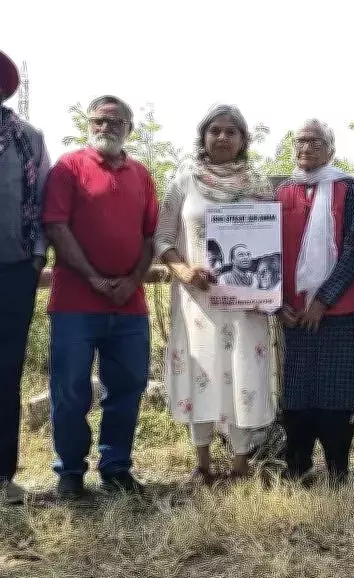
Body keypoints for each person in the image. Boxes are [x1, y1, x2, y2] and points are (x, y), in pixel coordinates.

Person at [154, 104, 277, 485]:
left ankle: (241, 464)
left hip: (246, 303)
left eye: (231, 131)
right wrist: (183, 271)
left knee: (244, 371)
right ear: (203, 136)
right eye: (215, 131)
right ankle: (202, 463)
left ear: (243, 140)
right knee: (201, 371)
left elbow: (271, 240)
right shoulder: (184, 183)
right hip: (198, 302)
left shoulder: (259, 185)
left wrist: (267, 289)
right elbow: (162, 238)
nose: (222, 137)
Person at [43, 95, 157, 499]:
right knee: (70, 391)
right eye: (98, 120)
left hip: (129, 304)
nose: (105, 127)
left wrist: (133, 279)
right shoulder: (68, 167)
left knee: (127, 388)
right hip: (75, 303)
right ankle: (70, 473)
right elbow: (56, 226)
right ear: (89, 125)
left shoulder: (141, 174)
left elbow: (151, 236)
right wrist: (93, 277)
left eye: (115, 121)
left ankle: (116, 468)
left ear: (129, 128)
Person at [275, 118, 354, 485]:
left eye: (315, 141)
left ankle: (337, 473)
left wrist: (323, 300)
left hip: (339, 311)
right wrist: (277, 303)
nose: (307, 147)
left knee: (335, 395)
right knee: (296, 395)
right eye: (301, 141)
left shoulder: (347, 188)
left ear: (331, 150)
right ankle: (297, 468)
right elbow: (268, 253)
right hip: (293, 312)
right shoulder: (283, 191)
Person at [0, 50, 51, 505]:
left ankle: (3, 475)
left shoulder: (27, 138)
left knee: (5, 369)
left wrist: (36, 259)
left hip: (13, 271)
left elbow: (42, 200)